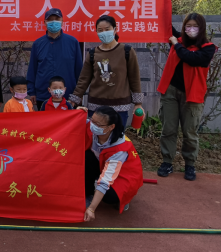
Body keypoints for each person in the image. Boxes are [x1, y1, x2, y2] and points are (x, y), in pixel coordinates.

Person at [156, 14, 216, 181]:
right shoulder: (179, 40)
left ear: (201, 28)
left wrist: (176, 44)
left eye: (195, 26)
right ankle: (167, 161)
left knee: (190, 132)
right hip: (170, 91)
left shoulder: (208, 48)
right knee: (168, 129)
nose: (191, 29)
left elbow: (191, 58)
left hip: (192, 94)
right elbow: (166, 27)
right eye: (188, 26)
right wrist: (161, 8)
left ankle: (190, 164)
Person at [69, 15, 143, 127]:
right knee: (95, 135)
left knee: (117, 136)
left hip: (120, 107)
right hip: (96, 106)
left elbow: (134, 78)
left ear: (115, 30)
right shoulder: (93, 53)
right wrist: (74, 99)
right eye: (100, 30)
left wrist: (138, 103)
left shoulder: (127, 51)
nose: (104, 32)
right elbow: (84, 79)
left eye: (107, 29)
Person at [84, 106, 143, 222]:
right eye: (92, 120)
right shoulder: (93, 128)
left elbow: (106, 180)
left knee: (110, 196)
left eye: (98, 124)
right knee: (87, 157)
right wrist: (76, 111)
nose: (93, 125)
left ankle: (124, 198)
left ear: (111, 127)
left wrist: (91, 209)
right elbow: (77, 121)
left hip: (124, 175)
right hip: (102, 164)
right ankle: (89, 194)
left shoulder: (119, 149)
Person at [27, 8, 82, 110]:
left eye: (57, 19)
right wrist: (32, 92)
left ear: (62, 21)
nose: (54, 22)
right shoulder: (38, 44)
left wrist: (78, 94)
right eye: (50, 20)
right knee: (45, 120)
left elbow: (79, 70)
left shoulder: (72, 42)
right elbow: (32, 69)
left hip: (68, 96)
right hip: (43, 96)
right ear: (45, 22)